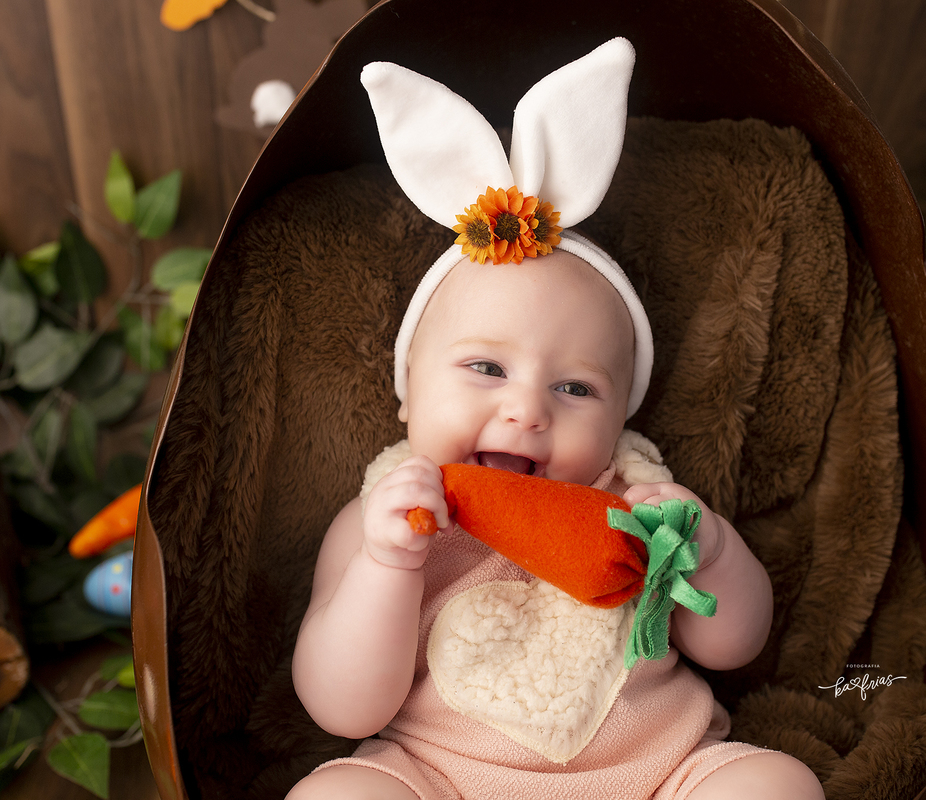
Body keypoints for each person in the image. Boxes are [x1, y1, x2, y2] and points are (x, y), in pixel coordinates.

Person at [287, 38, 825, 800]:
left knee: (777, 784)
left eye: (576, 389)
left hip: (658, 775)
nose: (527, 409)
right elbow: (342, 708)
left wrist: (704, 548)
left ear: (619, 423)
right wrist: (388, 568)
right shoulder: (385, 518)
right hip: (444, 780)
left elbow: (736, 645)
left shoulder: (638, 504)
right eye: (485, 369)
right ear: (407, 393)